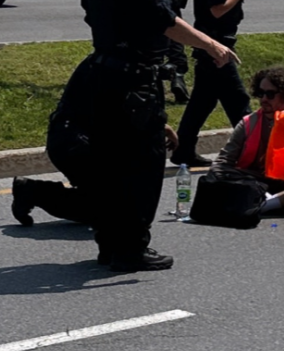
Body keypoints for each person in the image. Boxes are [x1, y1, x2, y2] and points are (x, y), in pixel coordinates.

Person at [79, 0, 236, 273]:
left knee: (108, 163)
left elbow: (90, 10)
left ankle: (109, 243)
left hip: (103, 71)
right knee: (143, 165)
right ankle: (131, 247)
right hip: (135, 76)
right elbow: (162, 20)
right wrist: (213, 47)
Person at [11, 54, 178, 227]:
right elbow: (116, 111)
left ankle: (37, 191)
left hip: (73, 138)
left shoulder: (108, 60)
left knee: (121, 203)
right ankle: (32, 191)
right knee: (114, 212)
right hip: (75, 143)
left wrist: (162, 127)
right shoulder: (116, 65)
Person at [170, 0, 252, 168]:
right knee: (239, 102)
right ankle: (253, 152)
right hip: (216, 46)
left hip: (214, 44)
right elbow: (216, 9)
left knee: (202, 103)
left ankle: (183, 149)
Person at [212, 66, 284, 217]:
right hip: (254, 182)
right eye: (260, 93)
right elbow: (224, 160)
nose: (263, 99)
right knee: (217, 174)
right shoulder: (249, 123)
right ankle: (280, 204)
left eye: (270, 94)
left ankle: (269, 204)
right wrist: (216, 177)